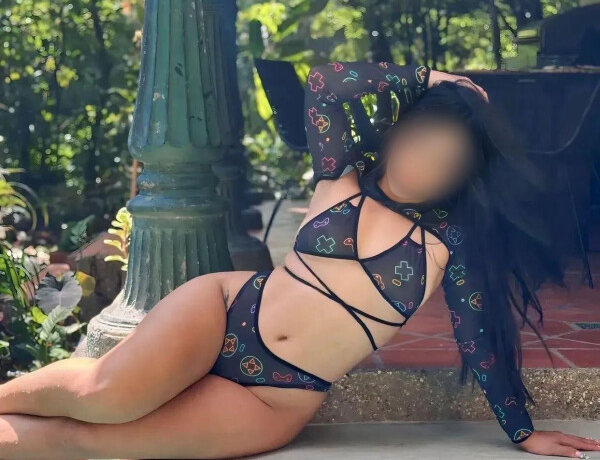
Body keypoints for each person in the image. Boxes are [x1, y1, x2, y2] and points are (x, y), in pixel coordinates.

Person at [0, 61, 598, 460]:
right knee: (105, 397)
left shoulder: (448, 243)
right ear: (395, 135)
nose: (423, 167)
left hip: (277, 396)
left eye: (445, 164)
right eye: (419, 145)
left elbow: (480, 338)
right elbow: (325, 85)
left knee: (96, 444)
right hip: (224, 310)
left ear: (462, 178)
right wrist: (432, 77)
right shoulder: (341, 175)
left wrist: (522, 430)